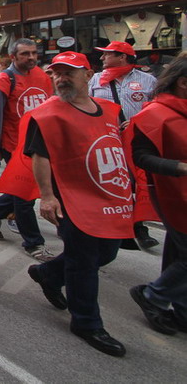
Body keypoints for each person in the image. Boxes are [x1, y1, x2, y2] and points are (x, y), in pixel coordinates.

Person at [24, 51, 131, 357]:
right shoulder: (47, 115)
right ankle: (87, 322)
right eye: (56, 73)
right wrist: (47, 196)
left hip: (108, 196)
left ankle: (49, 274)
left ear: (88, 74)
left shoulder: (111, 110)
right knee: (83, 260)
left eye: (68, 72)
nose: (61, 78)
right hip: (72, 198)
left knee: (107, 252)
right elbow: (40, 157)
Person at [125, 53, 187, 335]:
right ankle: (153, 295)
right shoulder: (153, 113)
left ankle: (180, 310)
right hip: (172, 194)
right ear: (183, 83)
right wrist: (179, 167)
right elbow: (140, 156)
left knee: (178, 253)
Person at [0, 38, 54, 261]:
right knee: (24, 194)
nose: (31, 57)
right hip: (15, 145)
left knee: (24, 188)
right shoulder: (1, 81)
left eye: (34, 53)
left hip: (40, 144)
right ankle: (34, 242)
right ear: (13, 57)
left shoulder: (42, 76)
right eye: (25, 54)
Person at [89, 40, 159, 250]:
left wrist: (139, 121)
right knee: (119, 185)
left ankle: (138, 225)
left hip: (138, 141)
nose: (102, 58)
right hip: (108, 142)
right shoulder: (95, 80)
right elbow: (87, 106)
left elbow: (157, 106)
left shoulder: (147, 80)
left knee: (141, 185)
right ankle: (131, 229)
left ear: (122, 57)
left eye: (107, 54)